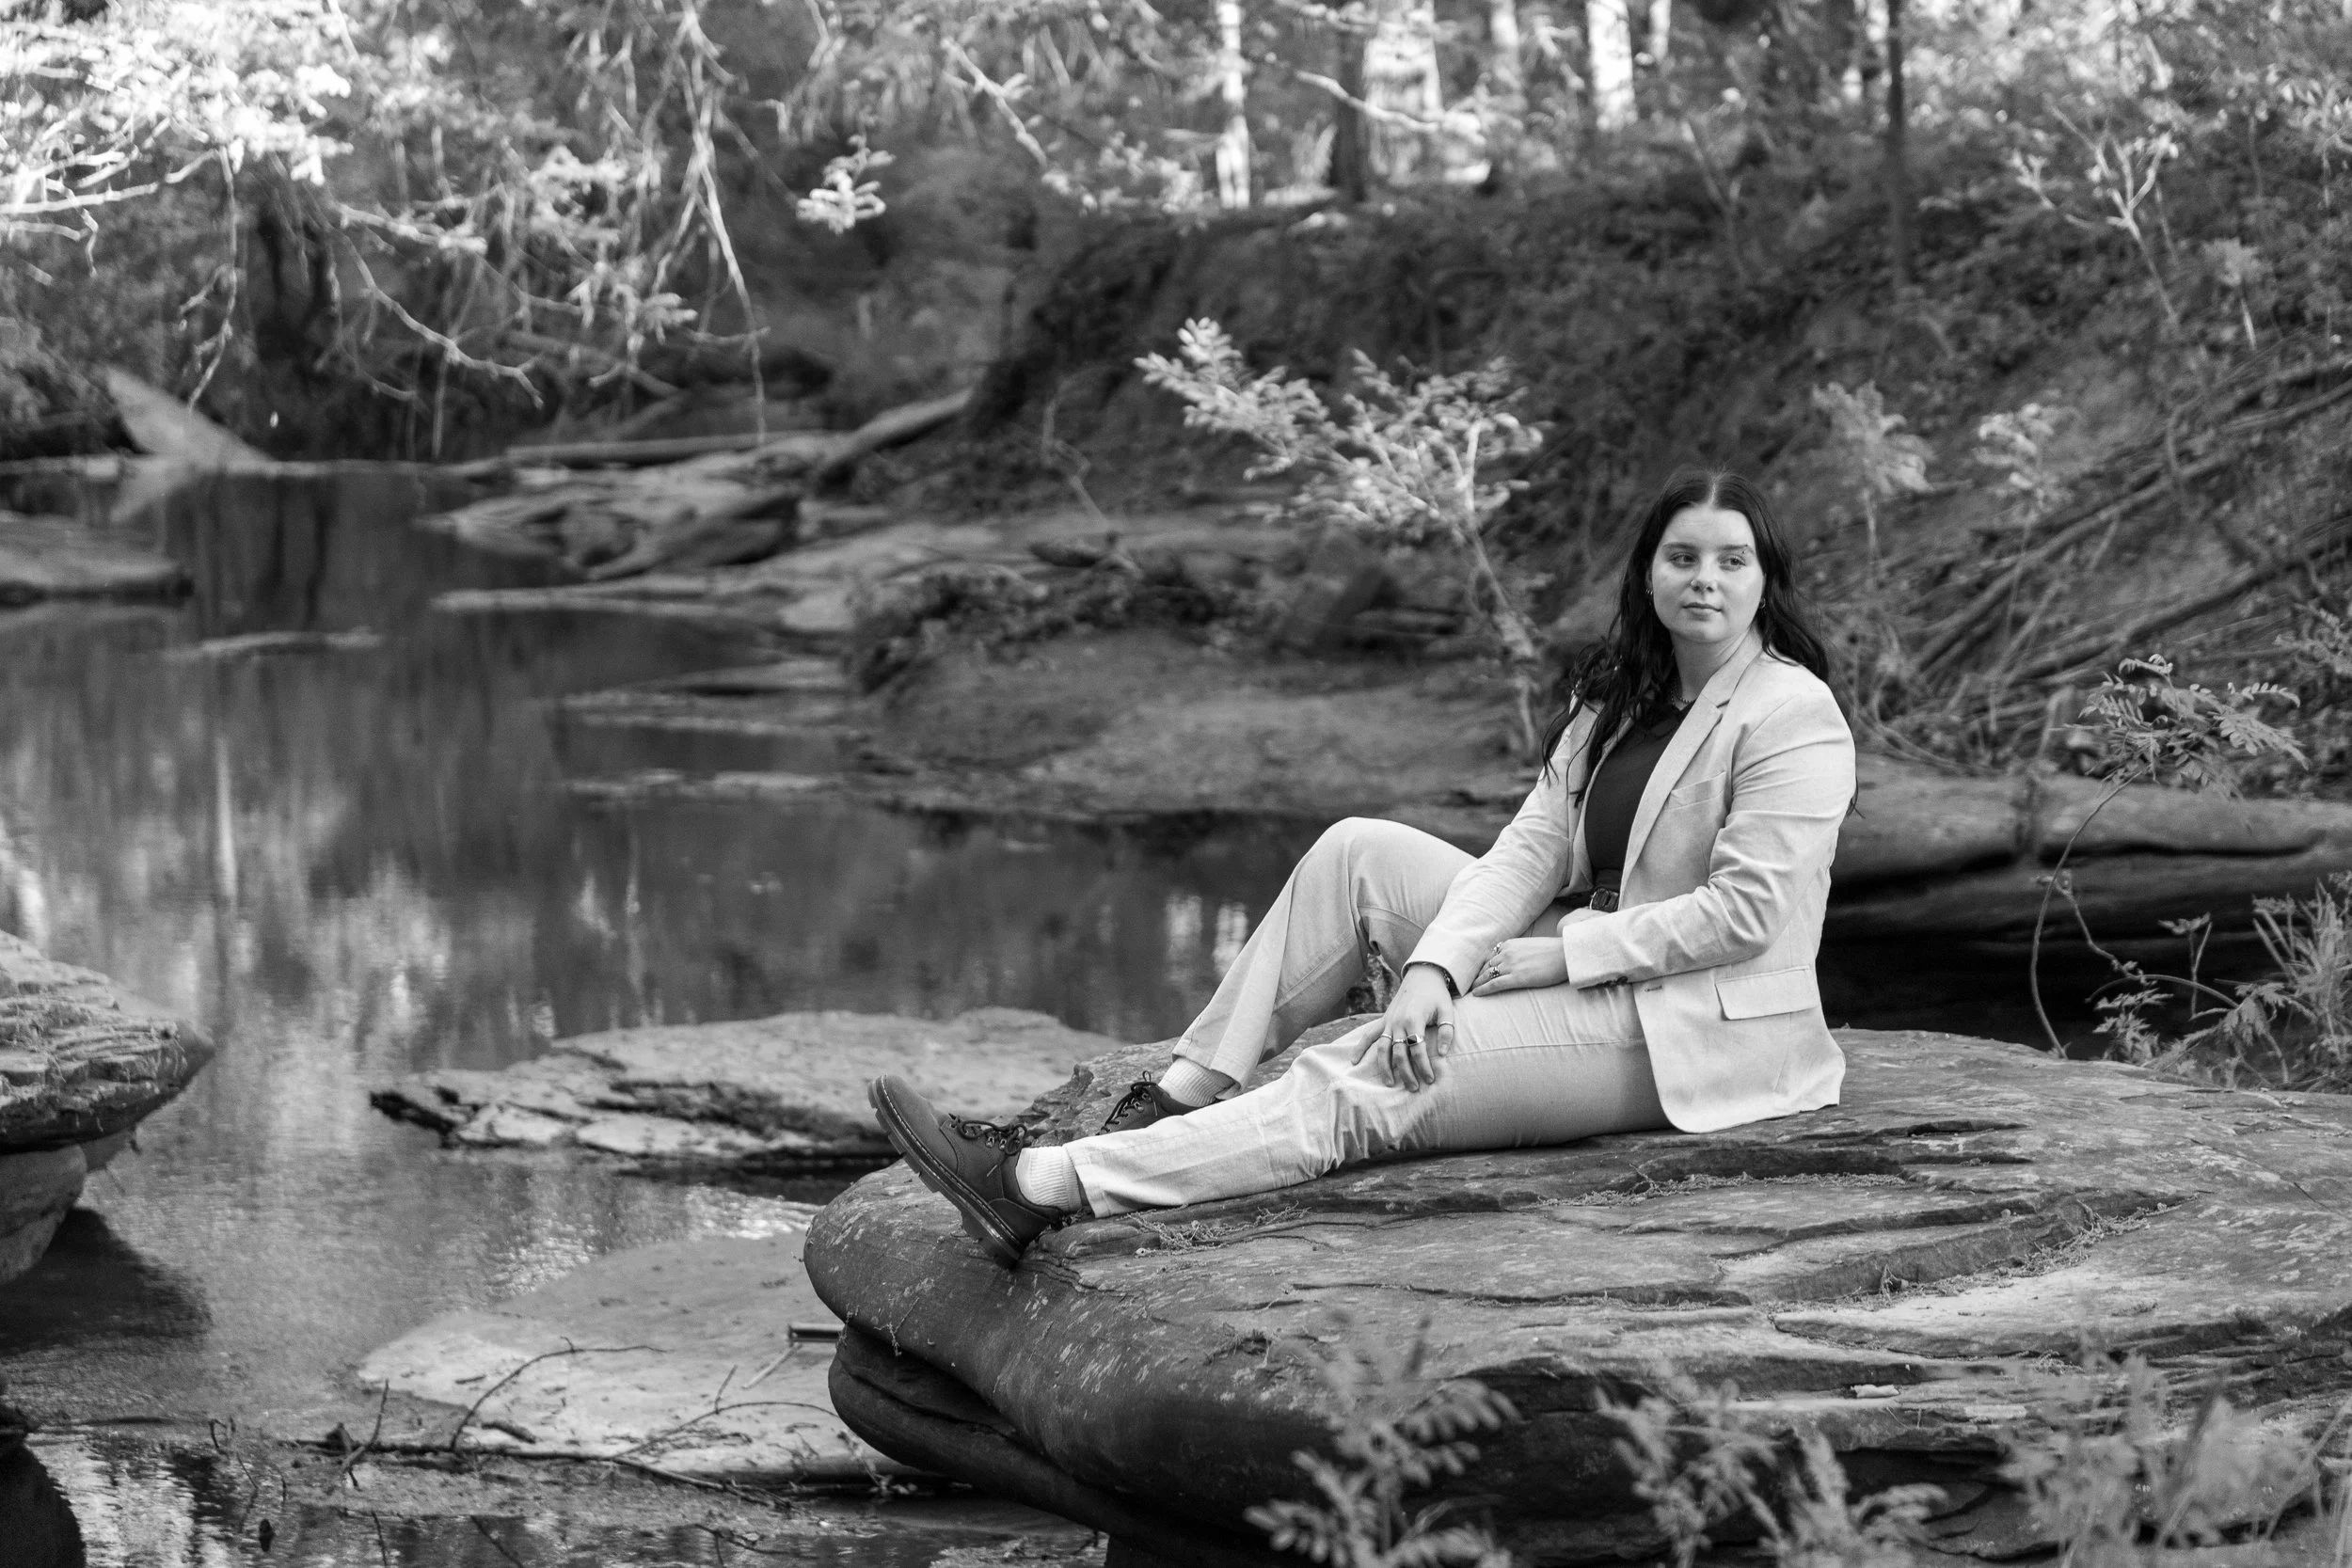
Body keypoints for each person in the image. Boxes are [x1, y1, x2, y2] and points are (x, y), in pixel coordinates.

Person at [866, 468, 1856, 1267]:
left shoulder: (1790, 712)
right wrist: (1434, 969)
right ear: (1647, 571)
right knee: (1356, 852)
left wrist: (1556, 960)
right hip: (1572, 950)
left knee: (1374, 1068)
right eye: (1682, 556)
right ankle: (1179, 1091)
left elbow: (1744, 913)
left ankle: (1043, 1186)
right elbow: (1531, 847)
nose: (1704, 581)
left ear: (1765, 577)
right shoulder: (1622, 695)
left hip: (1691, 1025)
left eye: (1731, 561)